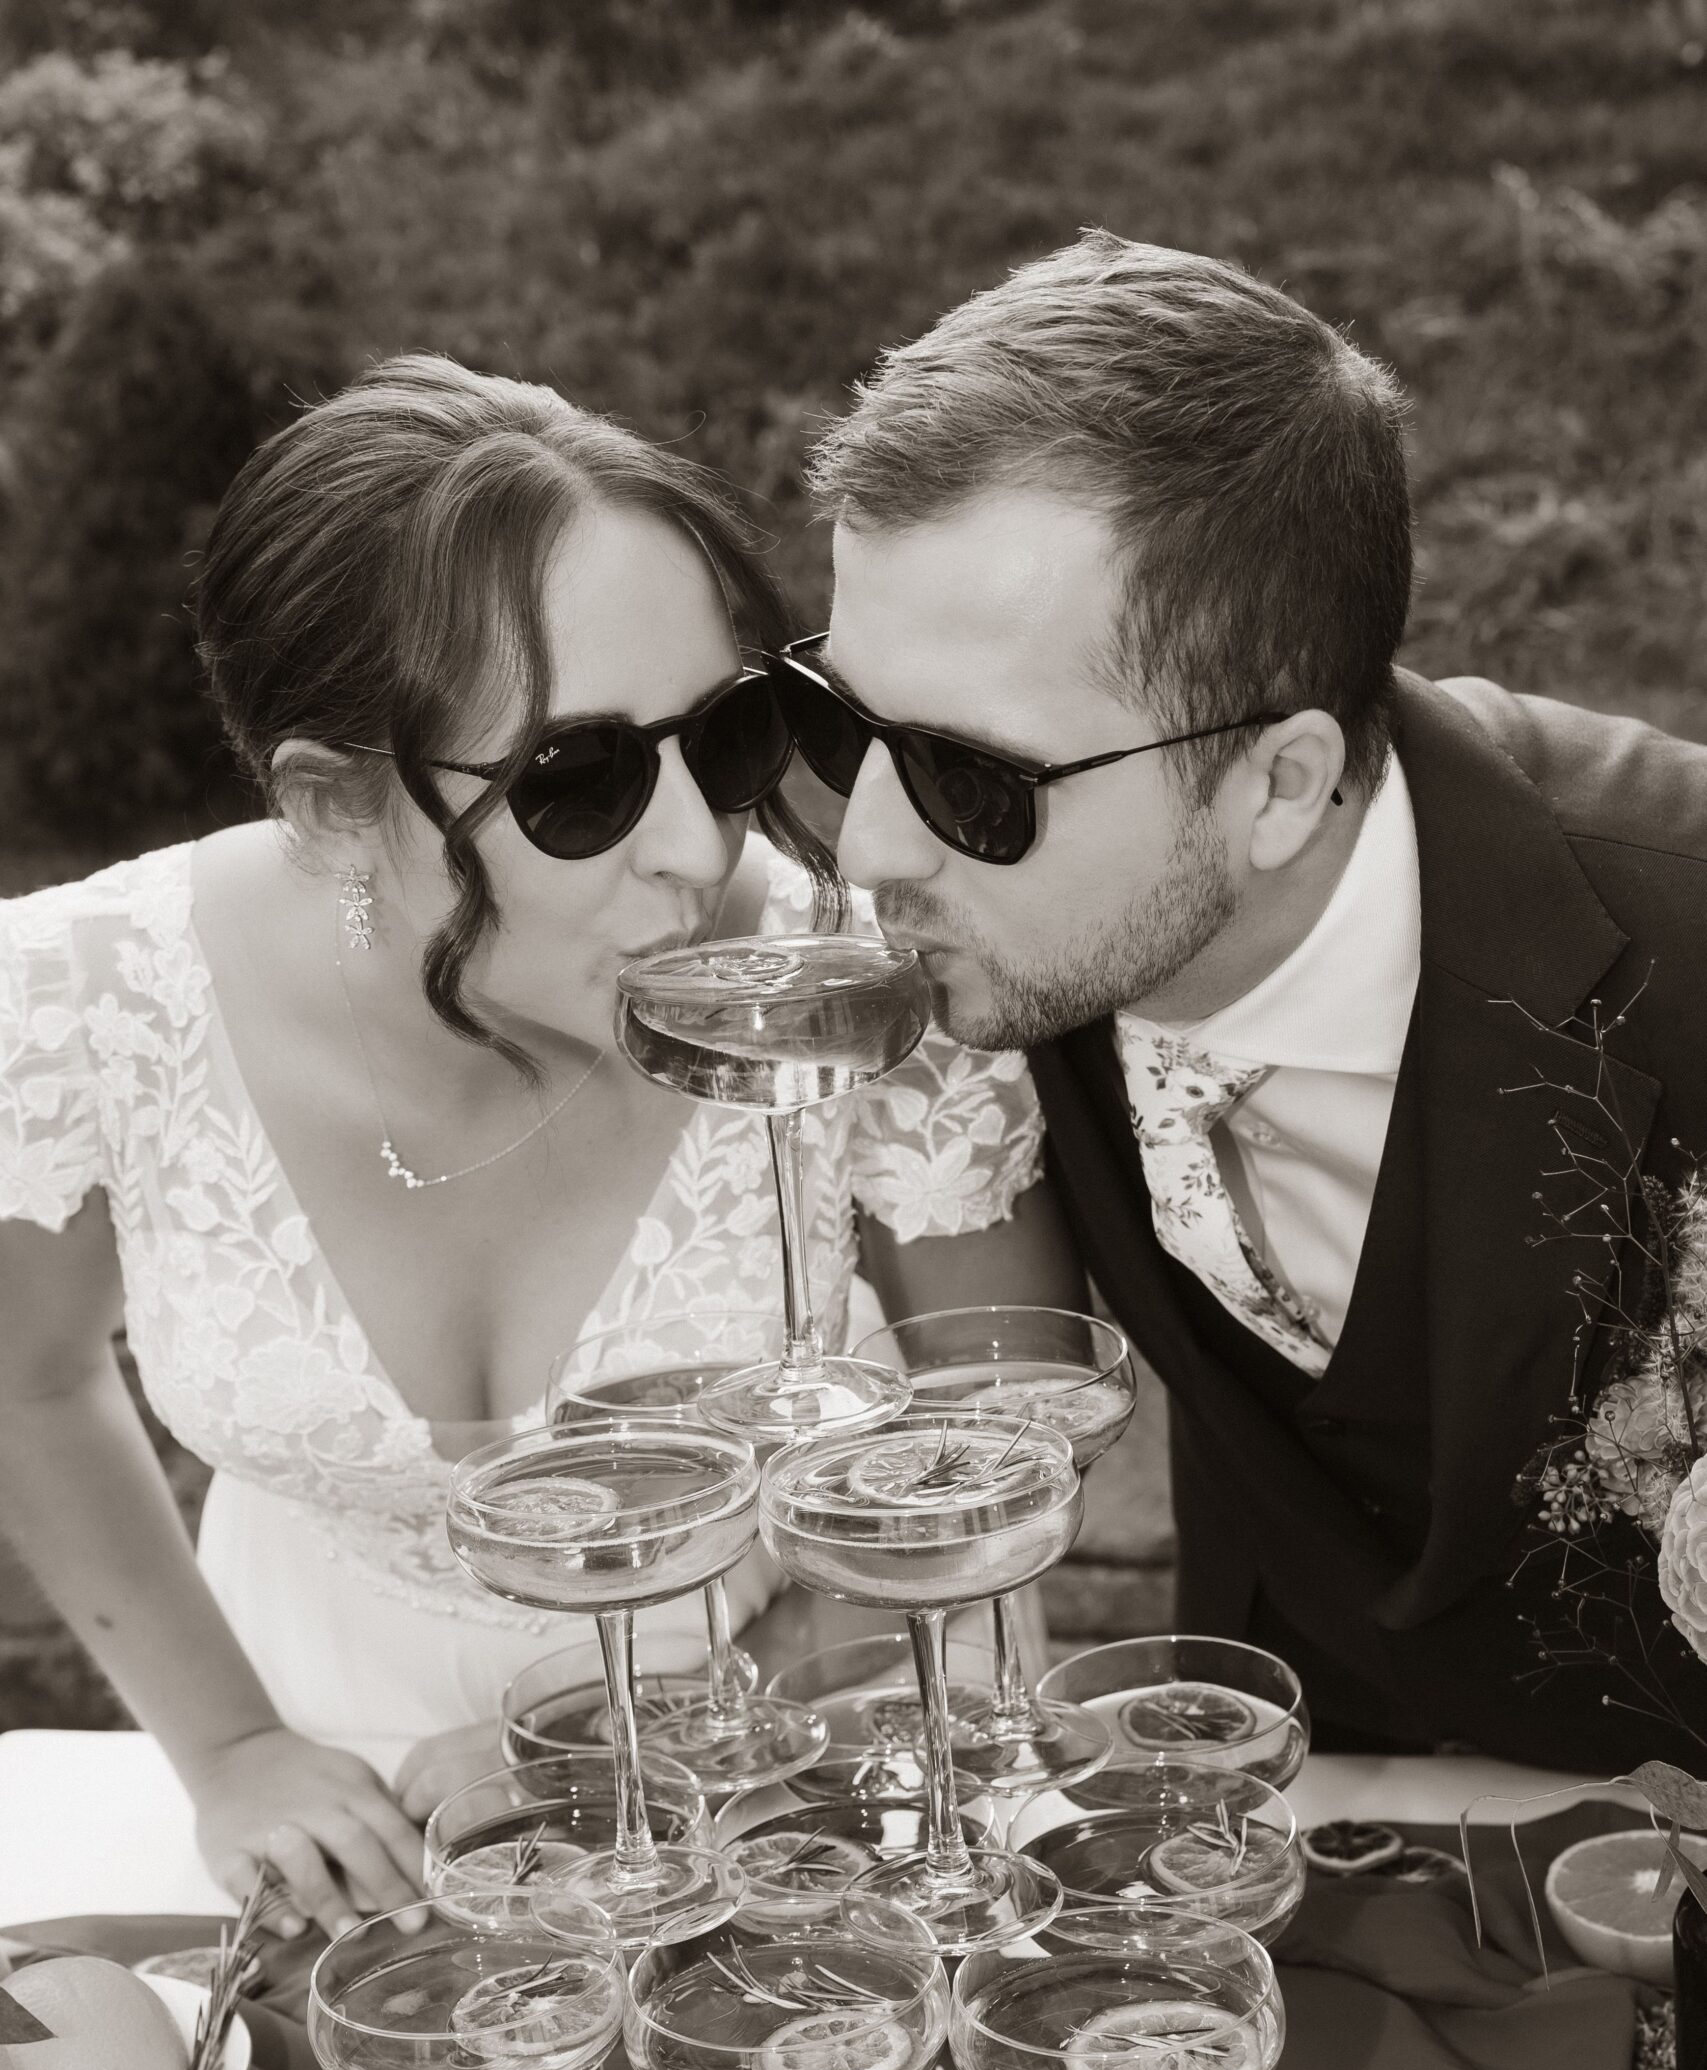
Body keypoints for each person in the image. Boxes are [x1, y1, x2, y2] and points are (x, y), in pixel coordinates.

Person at [0, 356, 1080, 1938]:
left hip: (788, 1759)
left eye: (728, 737)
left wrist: (646, 1739)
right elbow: (28, 1377)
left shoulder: (853, 1001)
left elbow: (1003, 1472)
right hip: (333, 1805)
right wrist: (231, 1751)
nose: (698, 849)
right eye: (582, 782)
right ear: (333, 804)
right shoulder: (82, 1003)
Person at [787, 230, 1707, 1773]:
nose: (868, 845)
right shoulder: (998, 953)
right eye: (837, 722)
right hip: (1270, 1824)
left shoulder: (1680, 935)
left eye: (969, 778)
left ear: (1279, 784)